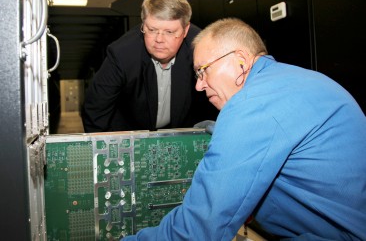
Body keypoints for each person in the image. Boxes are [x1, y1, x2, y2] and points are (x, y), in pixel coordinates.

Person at [122, 18, 366, 240]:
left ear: (240, 60)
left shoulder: (253, 102)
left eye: (202, 71)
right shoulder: (297, 80)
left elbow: (196, 230)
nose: (199, 85)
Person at [82, 0, 217, 132]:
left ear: (185, 30)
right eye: (152, 30)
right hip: (131, 131)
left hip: (184, 130)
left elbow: (223, 98)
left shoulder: (203, 49)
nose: (159, 40)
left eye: (169, 32)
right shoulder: (122, 54)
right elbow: (95, 110)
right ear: (143, 24)